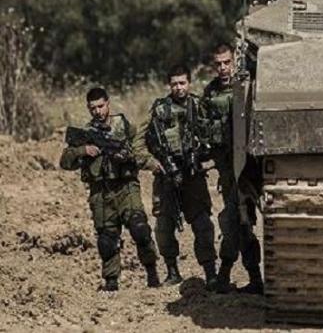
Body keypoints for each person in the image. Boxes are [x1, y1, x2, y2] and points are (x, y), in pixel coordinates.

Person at [59, 87, 160, 292]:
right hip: (101, 192)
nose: (97, 111)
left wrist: (138, 159)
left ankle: (152, 272)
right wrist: (83, 150)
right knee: (106, 238)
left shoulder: (124, 126)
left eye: (101, 106)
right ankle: (111, 281)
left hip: (126, 187)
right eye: (93, 108)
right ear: (88, 108)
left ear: (108, 104)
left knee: (140, 228)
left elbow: (140, 149)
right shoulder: (87, 134)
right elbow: (65, 162)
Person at [146, 65, 218, 290]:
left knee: (202, 224)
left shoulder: (199, 106)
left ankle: (210, 272)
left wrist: (206, 156)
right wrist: (158, 164)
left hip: (193, 176)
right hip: (168, 176)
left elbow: (212, 134)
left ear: (189, 83)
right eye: (174, 84)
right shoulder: (160, 109)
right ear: (169, 85)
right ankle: (172, 271)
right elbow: (149, 141)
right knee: (164, 226)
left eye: (182, 83)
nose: (178, 88)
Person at [203, 42, 263, 294]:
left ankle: (228, 273)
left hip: (249, 168)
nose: (223, 68)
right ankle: (252, 278)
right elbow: (204, 128)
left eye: (227, 62)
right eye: (218, 64)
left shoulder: (248, 86)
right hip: (227, 169)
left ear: (235, 60)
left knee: (238, 219)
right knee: (238, 221)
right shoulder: (210, 93)